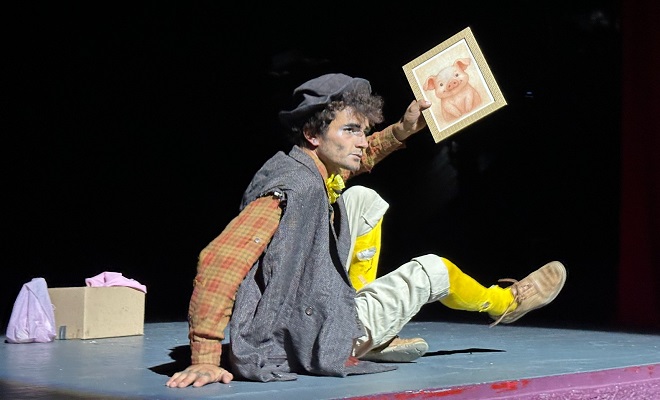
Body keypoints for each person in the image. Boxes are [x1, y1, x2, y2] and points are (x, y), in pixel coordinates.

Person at [165, 73, 567, 387]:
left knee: (362, 199)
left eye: (362, 130)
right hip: (305, 335)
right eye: (351, 131)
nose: (361, 141)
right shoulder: (294, 188)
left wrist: (402, 129)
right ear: (312, 134)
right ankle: (503, 303)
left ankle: (357, 319)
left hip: (309, 315)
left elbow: (360, 157)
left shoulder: (302, 164)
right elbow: (219, 261)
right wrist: (205, 357)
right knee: (434, 270)